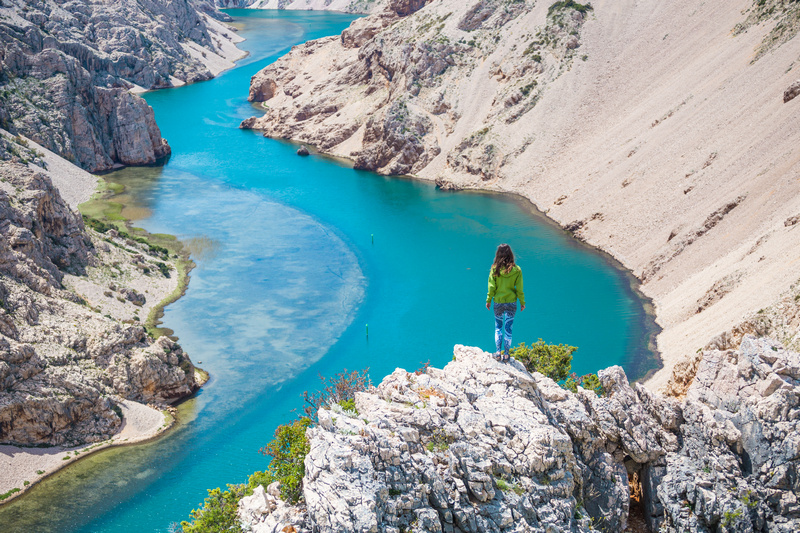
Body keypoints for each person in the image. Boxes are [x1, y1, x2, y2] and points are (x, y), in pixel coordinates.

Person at [485, 243, 525, 361]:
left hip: (498, 302)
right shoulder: (517, 270)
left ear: (498, 254)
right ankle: (506, 354)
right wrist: (522, 302)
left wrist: (488, 300)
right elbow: (520, 289)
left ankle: (498, 353)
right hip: (511, 302)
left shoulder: (494, 269)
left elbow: (491, 287)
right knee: (508, 328)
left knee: (498, 326)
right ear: (511, 254)